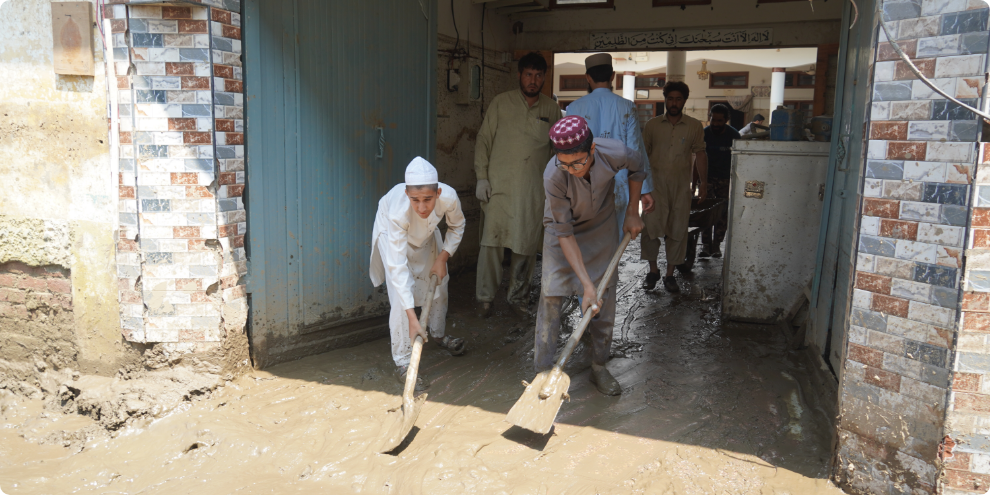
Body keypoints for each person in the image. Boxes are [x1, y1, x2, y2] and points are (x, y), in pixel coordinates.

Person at [536, 115, 647, 396]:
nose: (571, 170)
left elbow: (638, 167)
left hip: (601, 224)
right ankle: (543, 372)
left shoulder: (615, 152)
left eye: (578, 163)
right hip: (562, 230)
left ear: (593, 149)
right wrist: (586, 285)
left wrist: (632, 210)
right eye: (564, 163)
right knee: (551, 295)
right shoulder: (553, 175)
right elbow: (564, 233)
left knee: (603, 298)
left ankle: (599, 366)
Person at [474, 52, 563, 319]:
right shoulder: (501, 103)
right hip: (498, 189)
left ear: (544, 78)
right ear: (519, 75)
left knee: (525, 247)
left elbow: (557, 152)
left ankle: (518, 299)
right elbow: (483, 140)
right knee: (491, 244)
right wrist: (481, 177)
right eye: (528, 74)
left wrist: (556, 190)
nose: (532, 80)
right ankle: (485, 299)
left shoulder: (551, 109)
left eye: (538, 75)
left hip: (532, 193)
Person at [369, 157, 467, 390]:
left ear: (438, 193)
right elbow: (398, 268)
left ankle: (438, 335)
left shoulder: (449, 197)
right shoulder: (397, 212)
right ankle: (403, 361)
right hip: (392, 235)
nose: (422, 208)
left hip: (426, 235)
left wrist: (443, 258)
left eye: (428, 200)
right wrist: (413, 319)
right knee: (401, 296)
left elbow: (457, 226)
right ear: (406, 194)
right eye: (415, 200)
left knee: (440, 283)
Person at [562, 53, 656, 241]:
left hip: (583, 187)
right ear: (612, 76)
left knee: (586, 245)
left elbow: (569, 154)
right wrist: (644, 190)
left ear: (588, 77)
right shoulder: (627, 107)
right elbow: (635, 153)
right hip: (617, 188)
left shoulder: (574, 108)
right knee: (612, 245)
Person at [640, 81, 707, 293]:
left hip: (680, 189)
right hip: (654, 188)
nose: (674, 103)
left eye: (678, 99)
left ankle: (670, 275)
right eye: (670, 99)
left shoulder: (694, 126)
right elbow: (642, 156)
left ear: (684, 101)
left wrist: (703, 183)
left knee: (678, 230)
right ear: (665, 100)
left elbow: (700, 154)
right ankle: (653, 271)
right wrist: (640, 187)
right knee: (650, 229)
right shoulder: (652, 125)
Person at [700, 104, 740, 259]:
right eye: (713, 120)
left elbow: (739, 162)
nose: (715, 124)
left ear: (726, 120)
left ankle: (716, 245)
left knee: (722, 214)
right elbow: (696, 158)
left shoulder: (734, 136)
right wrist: (698, 182)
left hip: (726, 180)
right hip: (707, 179)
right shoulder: (703, 134)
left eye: (719, 121)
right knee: (706, 211)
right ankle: (705, 245)